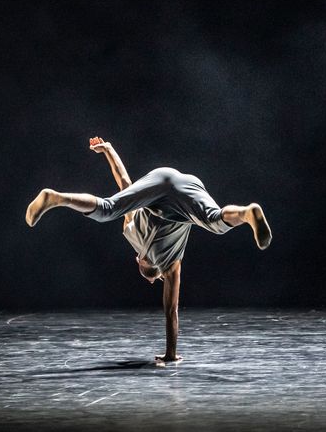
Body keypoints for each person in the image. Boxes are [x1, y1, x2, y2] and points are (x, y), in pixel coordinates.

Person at [26, 137, 272, 363]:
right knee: (110, 208)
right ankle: (58, 198)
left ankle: (246, 213)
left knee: (215, 222)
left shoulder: (172, 264)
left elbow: (172, 311)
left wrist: (172, 354)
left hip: (170, 187)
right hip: (176, 186)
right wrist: (109, 150)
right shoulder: (134, 232)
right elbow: (123, 181)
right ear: (139, 260)